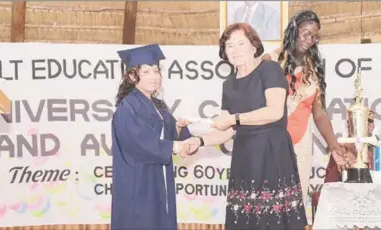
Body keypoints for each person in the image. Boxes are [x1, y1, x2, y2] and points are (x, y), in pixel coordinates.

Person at [186, 22, 307, 229]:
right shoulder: (229, 84)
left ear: (254, 46)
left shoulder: (269, 69)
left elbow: (274, 112)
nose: (235, 50)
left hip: (271, 152)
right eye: (229, 45)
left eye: (241, 43)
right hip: (244, 156)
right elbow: (225, 132)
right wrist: (199, 140)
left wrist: (234, 118)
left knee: (273, 220)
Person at [262, 10, 347, 220]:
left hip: (301, 143)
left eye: (315, 36)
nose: (310, 40)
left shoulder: (314, 68)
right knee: (268, 202)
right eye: (305, 33)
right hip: (270, 141)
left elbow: (319, 112)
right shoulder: (270, 61)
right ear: (293, 29)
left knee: (293, 204)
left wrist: (334, 146)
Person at [110, 44, 193, 230]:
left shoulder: (158, 105)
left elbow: (169, 135)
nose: (153, 76)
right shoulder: (127, 107)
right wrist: (175, 147)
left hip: (158, 178)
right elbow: (139, 142)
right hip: (139, 180)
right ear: (132, 76)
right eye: (146, 71)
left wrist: (179, 129)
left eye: (156, 71)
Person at [325, 110, 381, 182]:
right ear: (349, 128)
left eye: (368, 124)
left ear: (372, 127)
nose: (364, 128)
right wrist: (345, 160)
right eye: (357, 124)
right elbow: (329, 182)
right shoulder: (341, 150)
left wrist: (361, 158)